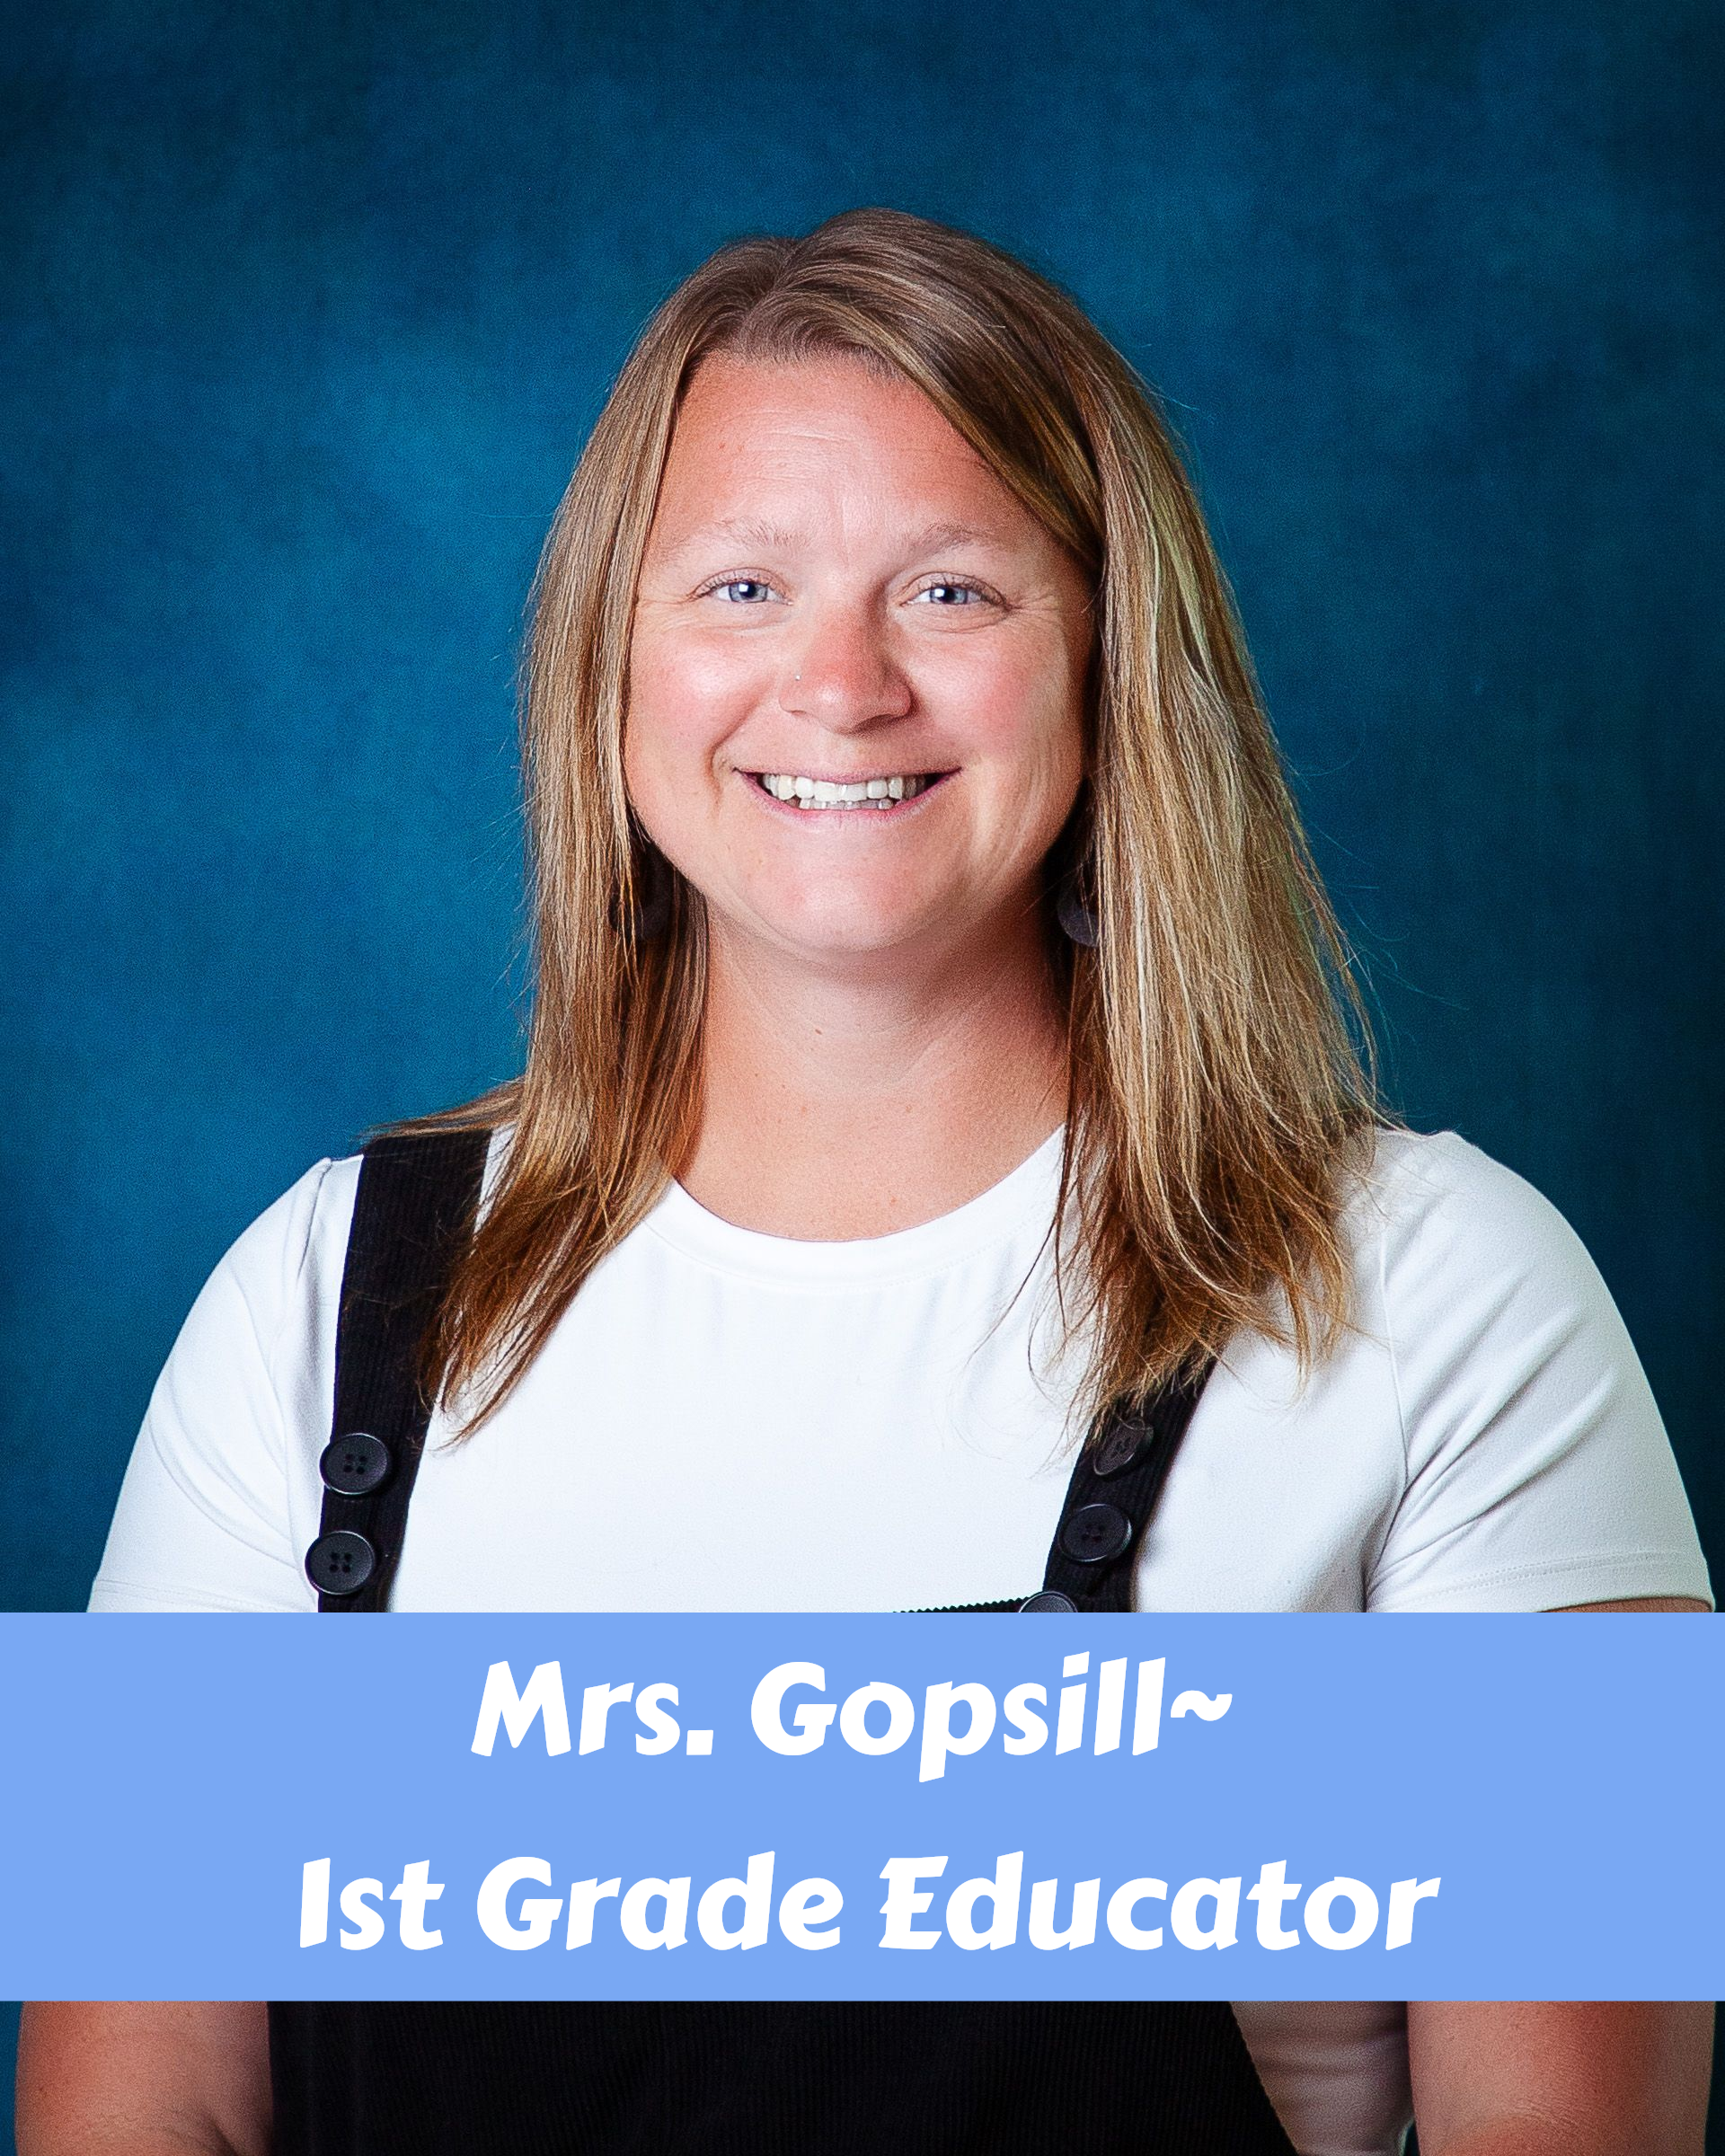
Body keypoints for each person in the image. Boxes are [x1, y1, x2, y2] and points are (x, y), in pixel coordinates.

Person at [18, 209, 1712, 2156]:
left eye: (954, 592)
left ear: (1110, 664)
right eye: (741, 585)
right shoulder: (318, 1304)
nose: (839, 684)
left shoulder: (1449, 1299)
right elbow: (132, 2119)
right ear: (610, 662)